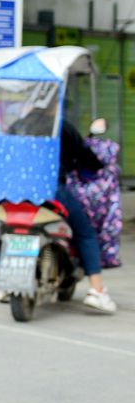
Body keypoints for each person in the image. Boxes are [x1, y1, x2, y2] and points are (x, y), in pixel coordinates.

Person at [57, 118, 118, 313]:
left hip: (15, 196)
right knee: (86, 233)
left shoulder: (18, 125)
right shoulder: (61, 126)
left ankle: (4, 284)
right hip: (51, 191)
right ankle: (96, 289)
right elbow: (86, 157)